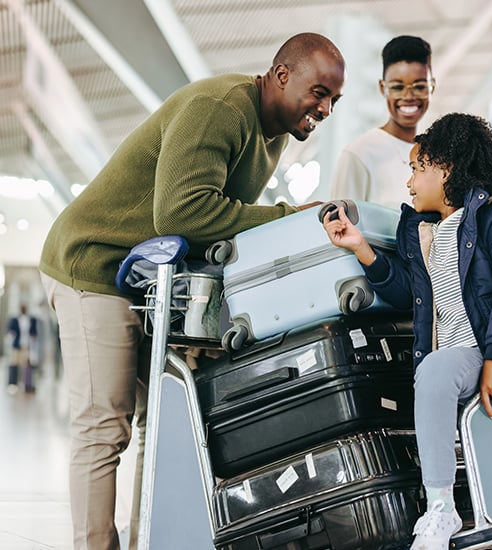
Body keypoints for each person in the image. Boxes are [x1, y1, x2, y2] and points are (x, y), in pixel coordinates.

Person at [39, 32, 345, 550]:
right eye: (318, 92)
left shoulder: (271, 136)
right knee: (104, 425)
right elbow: (182, 212)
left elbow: (213, 227)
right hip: (94, 264)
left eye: (334, 99)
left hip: (147, 280)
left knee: (160, 425)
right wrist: (289, 217)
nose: (326, 108)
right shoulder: (221, 108)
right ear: (282, 74)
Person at [322, 112, 492, 550]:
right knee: (437, 370)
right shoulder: (425, 232)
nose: (409, 183)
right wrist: (361, 247)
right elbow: (409, 294)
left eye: (416, 169)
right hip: (470, 353)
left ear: (445, 169)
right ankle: (440, 509)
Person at [329, 35, 434, 210]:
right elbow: (338, 228)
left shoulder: (436, 155)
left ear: (432, 87)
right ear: (382, 88)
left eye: (419, 86)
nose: (408, 97)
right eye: (397, 87)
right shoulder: (359, 154)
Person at [6, 303, 39, 394]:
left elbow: (34, 333)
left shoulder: (31, 320)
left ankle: (27, 385)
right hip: (17, 345)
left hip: (27, 346)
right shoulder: (14, 319)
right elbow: (10, 331)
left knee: (27, 366)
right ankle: (13, 384)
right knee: (14, 364)